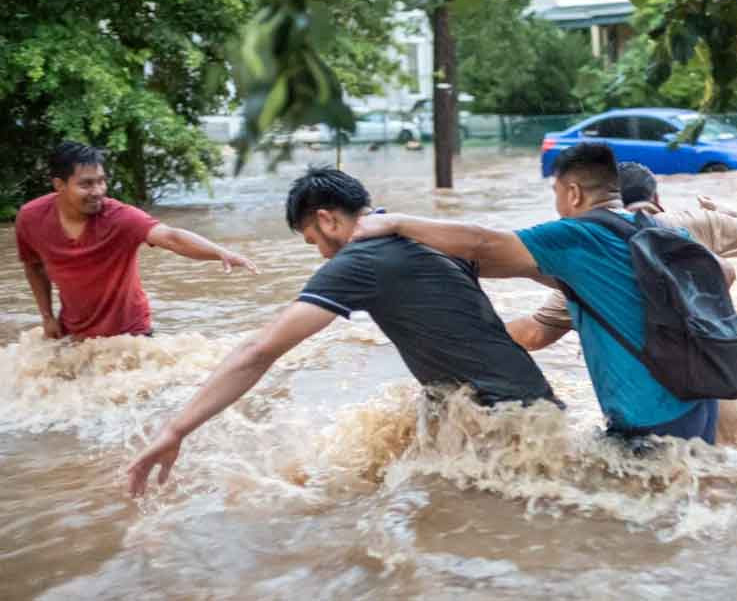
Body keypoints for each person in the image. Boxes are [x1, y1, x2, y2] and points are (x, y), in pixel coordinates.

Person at [127, 167, 559, 496]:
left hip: (497, 424)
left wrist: (176, 429)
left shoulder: (360, 260)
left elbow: (260, 351)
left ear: (327, 220)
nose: (319, 254)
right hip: (533, 411)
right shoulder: (427, 235)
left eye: (312, 240)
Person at [348, 143, 734, 445]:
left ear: (573, 192)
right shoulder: (661, 232)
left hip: (647, 419)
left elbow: (483, 244)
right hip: (699, 401)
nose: (557, 202)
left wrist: (396, 223)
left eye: (556, 192)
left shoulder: (577, 236)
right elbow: (724, 272)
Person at [505, 161, 737, 452]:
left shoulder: (595, 263)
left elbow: (536, 334)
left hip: (662, 412)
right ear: (656, 199)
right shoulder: (691, 224)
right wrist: (721, 211)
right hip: (724, 385)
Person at [15, 142, 258, 340]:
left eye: (101, 180)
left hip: (131, 336)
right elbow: (33, 266)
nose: (98, 190)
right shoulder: (31, 218)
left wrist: (220, 252)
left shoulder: (120, 218)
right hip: (75, 332)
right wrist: (47, 317)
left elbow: (171, 237)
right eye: (86, 184)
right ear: (59, 185)